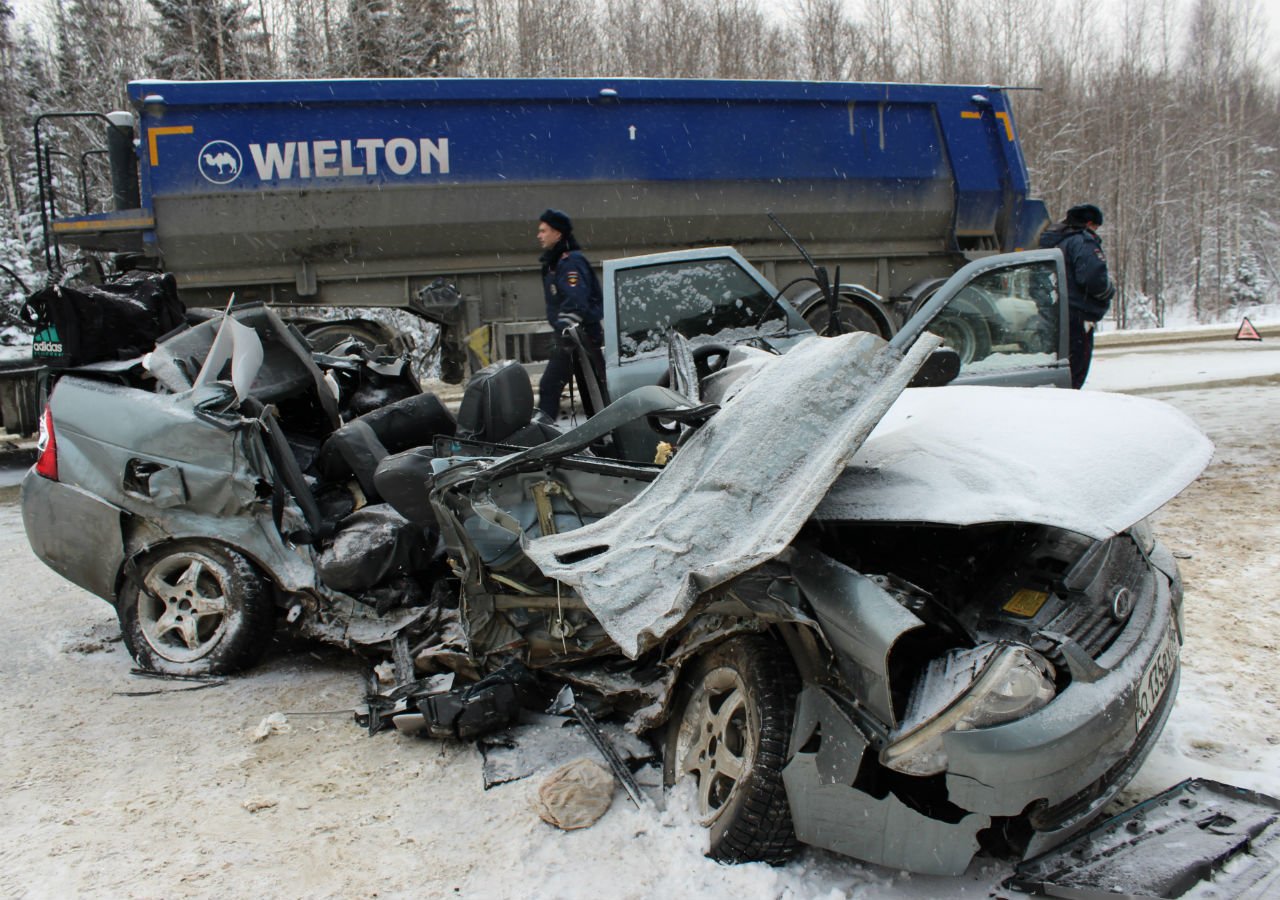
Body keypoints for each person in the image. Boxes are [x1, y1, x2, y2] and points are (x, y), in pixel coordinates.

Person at [535, 208, 608, 421]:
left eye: (543, 231)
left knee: (550, 386)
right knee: (594, 390)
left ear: (558, 234)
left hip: (579, 337)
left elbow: (576, 303)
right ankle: (605, 432)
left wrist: (565, 336)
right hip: (580, 336)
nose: (539, 236)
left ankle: (543, 432)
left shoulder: (569, 263)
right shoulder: (558, 261)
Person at [1038, 203, 1116, 389]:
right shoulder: (1082, 242)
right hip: (1078, 315)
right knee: (1075, 371)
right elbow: (1093, 278)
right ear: (1089, 223)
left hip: (1055, 313)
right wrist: (1107, 291)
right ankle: (1069, 408)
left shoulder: (1054, 241)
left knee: (1060, 367)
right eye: (1096, 227)